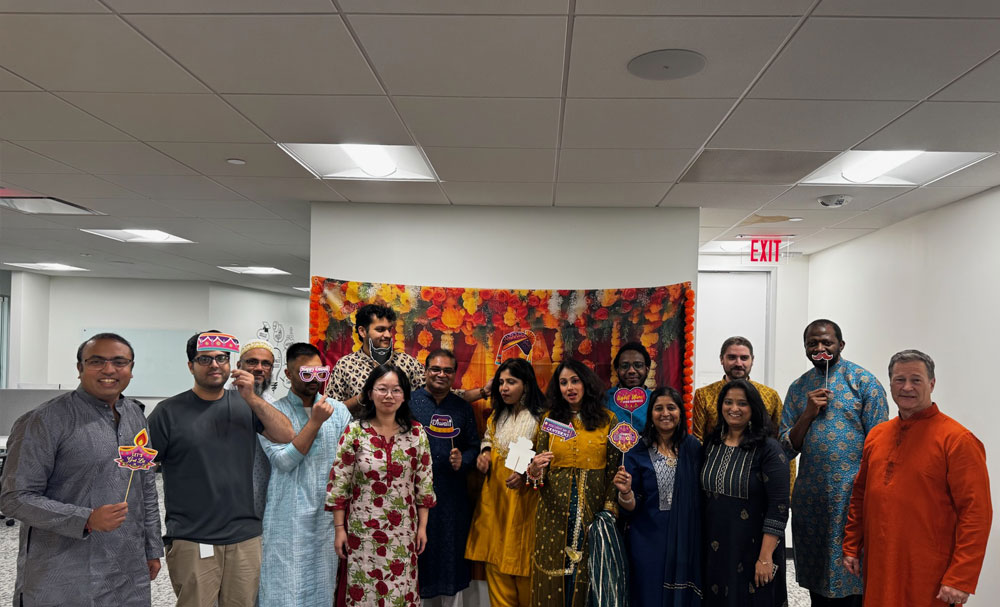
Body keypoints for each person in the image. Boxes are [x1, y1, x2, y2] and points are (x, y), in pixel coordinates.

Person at [0, 333, 163, 606]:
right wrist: (85, 518)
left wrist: (152, 547)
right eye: (97, 361)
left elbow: (145, 487)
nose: (109, 369)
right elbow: (14, 498)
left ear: (131, 369)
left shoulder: (135, 415)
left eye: (119, 362)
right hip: (63, 571)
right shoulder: (43, 421)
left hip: (126, 566)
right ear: (80, 368)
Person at [148, 330, 294, 607]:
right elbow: (141, 476)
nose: (214, 365)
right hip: (193, 537)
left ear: (231, 364)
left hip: (245, 536)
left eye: (221, 358)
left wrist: (252, 398)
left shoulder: (247, 404)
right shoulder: (167, 412)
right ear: (190, 365)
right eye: (205, 359)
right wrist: (148, 539)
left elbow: (286, 435)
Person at [842, 350, 992, 607]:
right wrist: (852, 545)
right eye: (899, 380)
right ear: (890, 384)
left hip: (930, 575)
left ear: (931, 384)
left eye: (916, 380)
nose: (907, 387)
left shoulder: (957, 440)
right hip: (880, 567)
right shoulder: (877, 436)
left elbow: (976, 514)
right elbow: (860, 495)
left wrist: (961, 577)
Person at [779, 320, 888, 607]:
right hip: (811, 502)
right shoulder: (798, 388)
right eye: (812, 343)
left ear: (841, 344)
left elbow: (881, 447)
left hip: (852, 501)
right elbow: (785, 449)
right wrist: (808, 413)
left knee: (853, 579)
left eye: (826, 342)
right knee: (817, 583)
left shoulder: (864, 383)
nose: (819, 348)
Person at [327, 364, 436, 607]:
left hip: (403, 532)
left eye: (396, 390)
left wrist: (422, 528)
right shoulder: (355, 432)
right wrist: (339, 529)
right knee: (363, 590)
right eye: (382, 389)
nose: (389, 396)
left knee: (400, 591)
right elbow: (339, 483)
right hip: (362, 532)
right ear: (370, 393)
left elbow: (424, 485)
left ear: (405, 395)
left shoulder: (417, 433)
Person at [258, 343, 351, 607]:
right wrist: (315, 422)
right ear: (288, 374)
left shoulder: (339, 411)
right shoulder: (273, 413)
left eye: (320, 372)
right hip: (286, 518)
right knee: (283, 589)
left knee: (323, 587)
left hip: (326, 518)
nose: (314, 379)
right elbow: (283, 461)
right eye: (305, 373)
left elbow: (347, 466)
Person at [527, 359, 620, 607]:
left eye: (575, 381)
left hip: (592, 515)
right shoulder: (549, 421)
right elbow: (537, 475)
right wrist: (534, 470)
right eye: (563, 383)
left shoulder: (607, 421)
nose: (569, 387)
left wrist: (608, 512)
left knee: (587, 578)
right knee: (553, 578)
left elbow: (614, 470)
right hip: (553, 515)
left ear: (586, 383)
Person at [466, 357, 547, 607]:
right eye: (501, 382)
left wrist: (527, 474)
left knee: (524, 563)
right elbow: (488, 438)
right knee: (496, 561)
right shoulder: (498, 416)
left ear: (527, 385)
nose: (503, 388)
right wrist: (485, 453)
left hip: (526, 501)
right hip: (495, 499)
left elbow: (552, 458)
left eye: (511, 382)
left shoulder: (543, 418)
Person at [701, 380, 789, 607]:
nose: (734, 408)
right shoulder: (712, 443)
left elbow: (779, 507)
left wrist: (765, 558)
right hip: (715, 548)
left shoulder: (768, 449)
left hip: (754, 550)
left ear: (754, 408)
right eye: (728, 402)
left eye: (742, 403)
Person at [614, 386, 702, 607]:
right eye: (658, 408)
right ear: (650, 414)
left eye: (671, 408)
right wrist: (625, 492)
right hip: (648, 539)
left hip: (686, 538)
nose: (665, 413)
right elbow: (631, 507)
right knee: (649, 595)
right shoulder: (637, 450)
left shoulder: (692, 448)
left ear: (680, 412)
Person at [409, 349, 481, 607]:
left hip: (452, 498)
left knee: (450, 560)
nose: (441, 374)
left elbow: (474, 446)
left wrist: (464, 459)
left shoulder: (462, 408)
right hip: (413, 496)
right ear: (426, 371)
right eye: (436, 369)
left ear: (454, 375)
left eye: (447, 370)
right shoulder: (408, 403)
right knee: (417, 558)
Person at [327, 303, 485, 415]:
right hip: (360, 444)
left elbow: (440, 394)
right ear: (362, 331)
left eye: (389, 329)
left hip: (403, 443)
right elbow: (330, 411)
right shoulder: (345, 365)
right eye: (380, 330)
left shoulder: (406, 362)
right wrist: (362, 397)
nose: (388, 335)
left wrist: (484, 392)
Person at [692, 337, 795, 493]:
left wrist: (788, 490)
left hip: (757, 478)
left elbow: (784, 443)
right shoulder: (704, 395)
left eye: (744, 358)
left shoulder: (769, 395)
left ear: (752, 360)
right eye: (732, 357)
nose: (738, 363)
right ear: (721, 359)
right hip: (715, 476)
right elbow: (698, 441)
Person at [233, 339, 277, 519]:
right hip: (220, 500)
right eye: (252, 362)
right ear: (239, 365)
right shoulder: (220, 397)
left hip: (259, 501)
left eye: (266, 364)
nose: (259, 368)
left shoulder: (275, 407)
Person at [605, 342, 653, 431]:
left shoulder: (656, 400)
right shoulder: (605, 399)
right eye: (624, 366)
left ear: (647, 369)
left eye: (638, 365)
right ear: (617, 370)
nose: (631, 371)